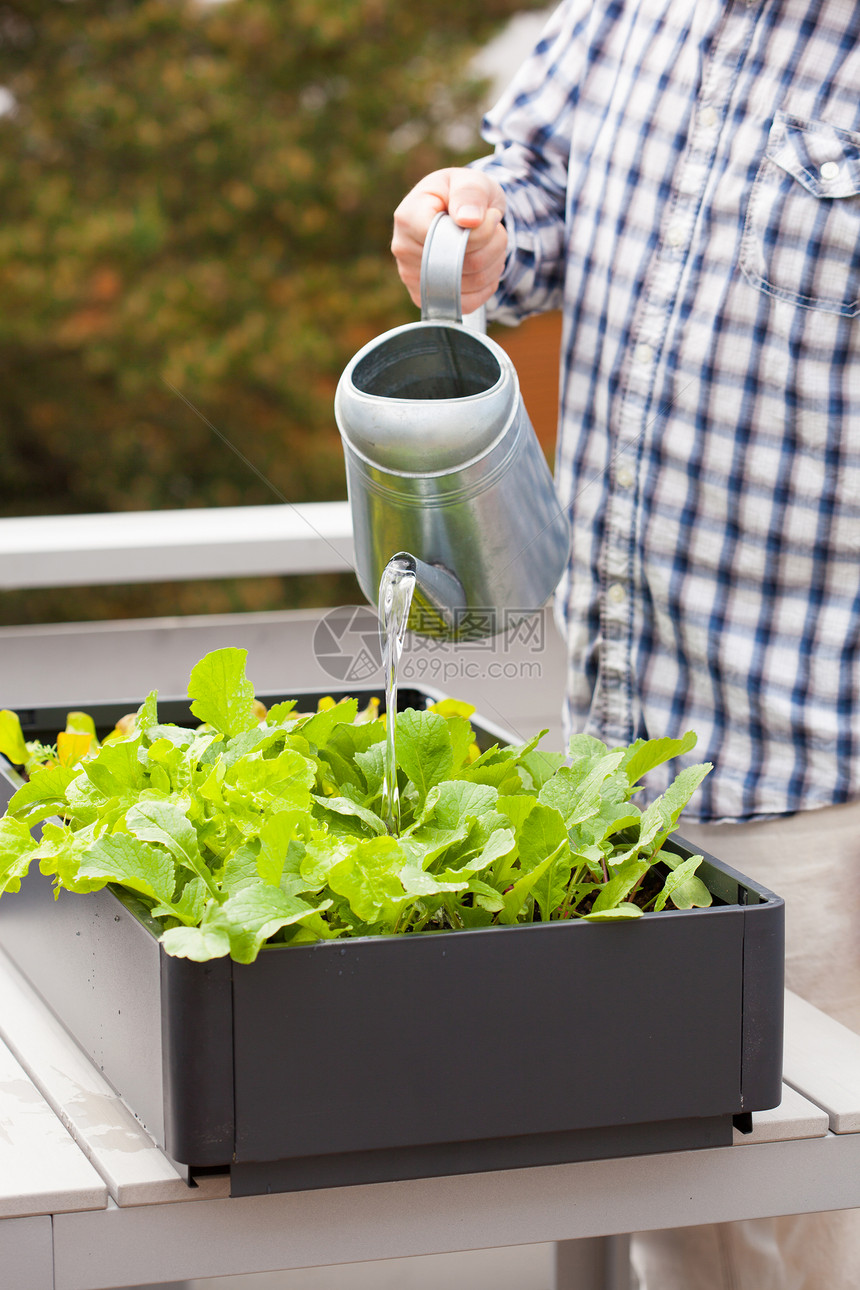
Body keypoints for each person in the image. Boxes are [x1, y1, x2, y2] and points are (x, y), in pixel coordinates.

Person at [391, 2, 860, 1288]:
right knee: (689, 1236)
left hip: (821, 790)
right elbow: (534, 185)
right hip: (618, 765)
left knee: (808, 1241)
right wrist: (473, 223)